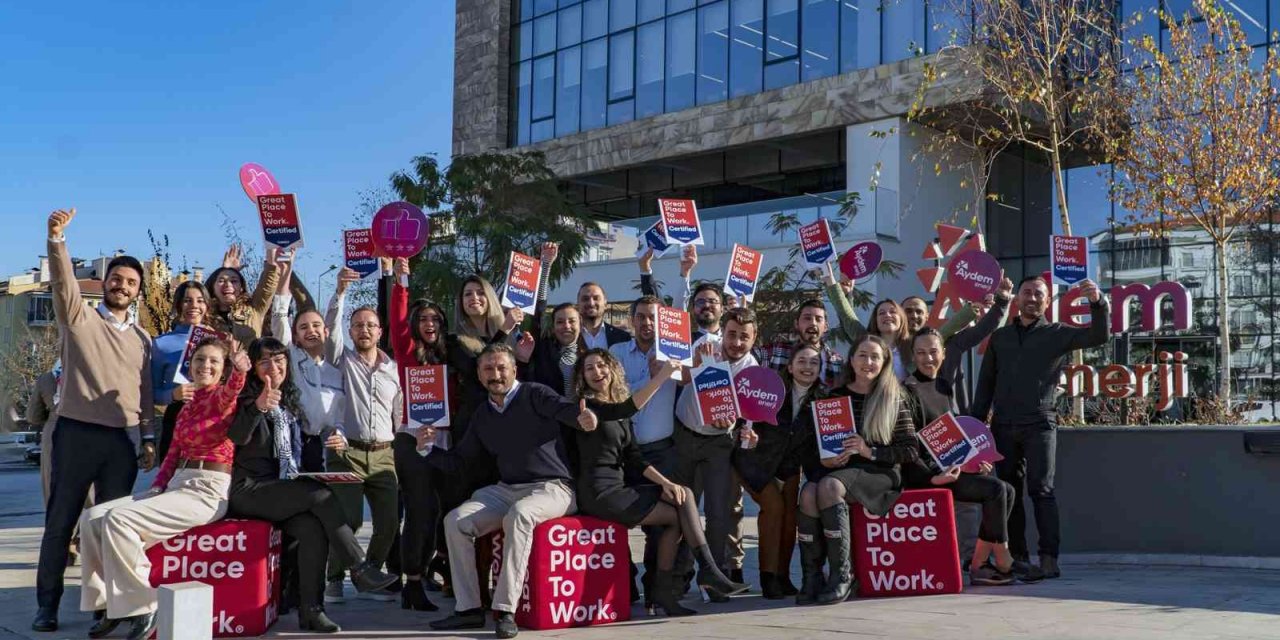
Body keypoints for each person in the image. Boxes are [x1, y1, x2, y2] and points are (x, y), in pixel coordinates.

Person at [34, 209, 156, 633]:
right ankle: (46, 606)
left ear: (138, 292)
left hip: (119, 443)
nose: (122, 286)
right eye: (117, 279)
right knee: (61, 520)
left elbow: (143, 394)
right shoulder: (79, 318)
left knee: (108, 526)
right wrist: (57, 239)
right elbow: (63, 282)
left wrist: (148, 438)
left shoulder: (143, 340)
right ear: (106, 283)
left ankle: (107, 608)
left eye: (131, 283)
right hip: (75, 433)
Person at [78, 338, 248, 640]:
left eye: (213, 361)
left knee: (119, 520)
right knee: (92, 517)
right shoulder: (185, 408)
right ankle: (108, 605)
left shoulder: (223, 399)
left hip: (207, 489)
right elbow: (171, 456)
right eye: (199, 360)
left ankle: (143, 605)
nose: (204, 366)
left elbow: (234, 387)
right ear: (190, 365)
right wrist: (157, 488)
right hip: (176, 485)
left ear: (223, 370)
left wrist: (239, 368)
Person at [227, 338, 397, 633]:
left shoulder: (290, 401)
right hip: (249, 489)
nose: (274, 366)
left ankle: (312, 610)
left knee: (313, 527)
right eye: (265, 361)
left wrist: (336, 437)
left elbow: (299, 452)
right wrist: (256, 407)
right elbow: (238, 437)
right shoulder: (244, 398)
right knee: (319, 497)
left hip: (281, 489)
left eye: (279, 360)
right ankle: (359, 567)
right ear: (253, 368)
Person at [430, 344, 598, 639]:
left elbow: (565, 410)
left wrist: (583, 419)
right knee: (455, 521)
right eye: (488, 369)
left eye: (501, 368)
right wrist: (425, 449)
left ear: (513, 370)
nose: (495, 375)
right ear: (480, 376)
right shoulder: (482, 413)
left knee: (519, 516)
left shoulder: (535, 393)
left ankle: (505, 610)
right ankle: (468, 609)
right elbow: (460, 461)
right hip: (507, 489)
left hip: (553, 487)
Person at [572, 348, 747, 616]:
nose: (597, 372)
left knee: (682, 497)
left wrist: (666, 483)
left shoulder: (617, 409)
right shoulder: (588, 406)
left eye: (602, 365)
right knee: (680, 506)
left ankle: (667, 590)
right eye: (589, 368)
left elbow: (634, 457)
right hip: (599, 493)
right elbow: (629, 406)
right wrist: (664, 375)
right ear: (582, 377)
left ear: (612, 369)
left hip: (619, 486)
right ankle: (707, 571)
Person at [971, 276, 1110, 579]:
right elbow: (985, 386)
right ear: (1018, 299)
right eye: (1027, 293)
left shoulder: (1057, 333)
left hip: (1040, 423)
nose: (1033, 298)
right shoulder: (1000, 337)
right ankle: (1019, 556)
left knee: (1042, 491)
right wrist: (973, 430)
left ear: (1048, 301)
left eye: (1039, 294)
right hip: (1003, 426)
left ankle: (1049, 557)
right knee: (1009, 492)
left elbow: (1099, 336)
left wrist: (1098, 302)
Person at [904, 324, 1044, 585]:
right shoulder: (907, 391)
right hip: (926, 474)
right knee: (995, 491)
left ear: (943, 354)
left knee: (1008, 490)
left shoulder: (944, 386)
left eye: (933, 352)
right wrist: (934, 476)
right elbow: (911, 445)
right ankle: (1002, 560)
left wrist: (972, 461)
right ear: (913, 355)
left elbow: (950, 437)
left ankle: (980, 562)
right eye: (921, 353)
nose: (928, 358)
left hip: (951, 468)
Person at [797, 335, 918, 606]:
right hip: (841, 470)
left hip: (879, 471)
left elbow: (910, 450)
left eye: (875, 356)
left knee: (829, 487)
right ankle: (812, 576)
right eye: (862, 355)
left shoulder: (894, 397)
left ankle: (843, 576)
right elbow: (815, 447)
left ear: (884, 362)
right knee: (808, 492)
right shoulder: (834, 397)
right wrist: (824, 460)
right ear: (851, 359)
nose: (868, 362)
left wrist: (869, 450)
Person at [323, 281, 403, 604]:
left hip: (384, 454)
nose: (364, 330)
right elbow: (330, 330)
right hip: (347, 452)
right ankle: (334, 578)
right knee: (351, 519)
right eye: (358, 326)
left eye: (370, 325)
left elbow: (399, 413)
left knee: (388, 522)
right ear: (351, 332)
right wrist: (340, 293)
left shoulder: (393, 369)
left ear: (380, 332)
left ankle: (370, 575)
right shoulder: (341, 361)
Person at [673, 307, 760, 599]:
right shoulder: (705, 344)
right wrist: (695, 363)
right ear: (723, 330)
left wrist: (737, 426)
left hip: (719, 444)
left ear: (754, 337)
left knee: (718, 513)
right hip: (685, 435)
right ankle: (679, 576)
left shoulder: (752, 368)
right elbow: (679, 378)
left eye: (744, 337)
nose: (736, 343)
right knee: (684, 507)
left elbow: (748, 418)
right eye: (732, 335)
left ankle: (715, 579)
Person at [734, 343, 823, 599]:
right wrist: (747, 436)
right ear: (791, 366)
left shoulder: (822, 398)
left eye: (814, 363)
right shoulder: (772, 389)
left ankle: (783, 576)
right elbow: (744, 420)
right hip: (755, 462)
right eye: (802, 361)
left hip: (790, 467)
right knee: (773, 509)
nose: (807, 367)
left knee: (789, 519)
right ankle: (768, 577)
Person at [269, 255, 345, 474]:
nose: (311, 331)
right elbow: (280, 315)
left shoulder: (334, 373)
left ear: (325, 331)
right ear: (296, 336)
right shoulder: (290, 357)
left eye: (316, 326)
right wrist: (285, 274)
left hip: (320, 450)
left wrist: (339, 435)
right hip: (290, 441)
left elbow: (338, 419)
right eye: (303, 327)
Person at [151, 280, 213, 463]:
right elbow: (151, 392)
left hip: (211, 416)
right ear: (178, 305)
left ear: (207, 305)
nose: (194, 306)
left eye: (200, 300)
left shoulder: (217, 341)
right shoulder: (161, 344)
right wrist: (173, 394)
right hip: (177, 416)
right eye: (187, 300)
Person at [756, 299, 845, 385]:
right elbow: (746, 357)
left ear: (826, 327)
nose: (813, 323)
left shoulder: (836, 363)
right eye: (807, 318)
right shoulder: (776, 352)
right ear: (796, 324)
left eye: (818, 319)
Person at [204, 244, 280, 344]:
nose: (228, 284)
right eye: (221, 280)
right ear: (212, 287)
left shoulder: (254, 308)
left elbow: (269, 282)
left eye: (234, 281)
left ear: (241, 288)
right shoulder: (205, 315)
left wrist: (272, 257)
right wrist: (227, 271)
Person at [577, 281, 631, 349]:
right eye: (585, 299)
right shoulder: (569, 337)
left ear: (605, 304)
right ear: (578, 304)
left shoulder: (622, 338)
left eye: (596, 298)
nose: (591, 303)